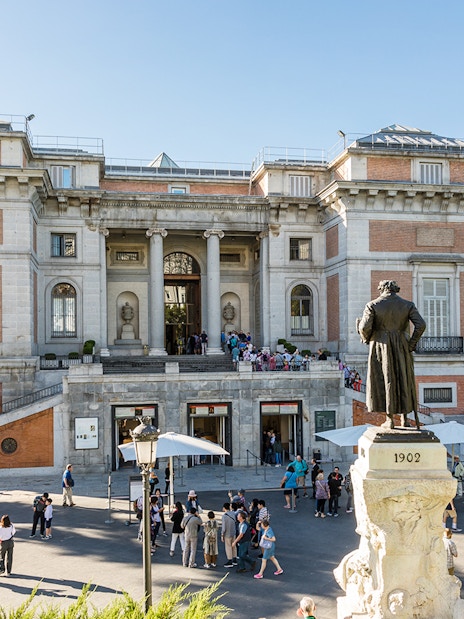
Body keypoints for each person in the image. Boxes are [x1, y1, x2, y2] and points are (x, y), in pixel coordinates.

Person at [357, 280, 426, 429]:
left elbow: (364, 327)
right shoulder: (408, 305)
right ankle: (405, 419)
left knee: (386, 379)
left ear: (381, 289)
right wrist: (411, 344)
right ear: (396, 290)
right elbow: (421, 325)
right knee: (404, 379)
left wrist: (365, 337)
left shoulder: (373, 305)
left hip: (381, 346)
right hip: (402, 345)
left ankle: (389, 420)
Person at [221, 502, 238, 568]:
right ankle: (235, 559)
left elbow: (224, 527)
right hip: (233, 532)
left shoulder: (224, 516)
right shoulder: (233, 513)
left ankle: (230, 560)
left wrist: (222, 535)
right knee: (234, 546)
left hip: (227, 534)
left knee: (228, 547)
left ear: (224, 508)